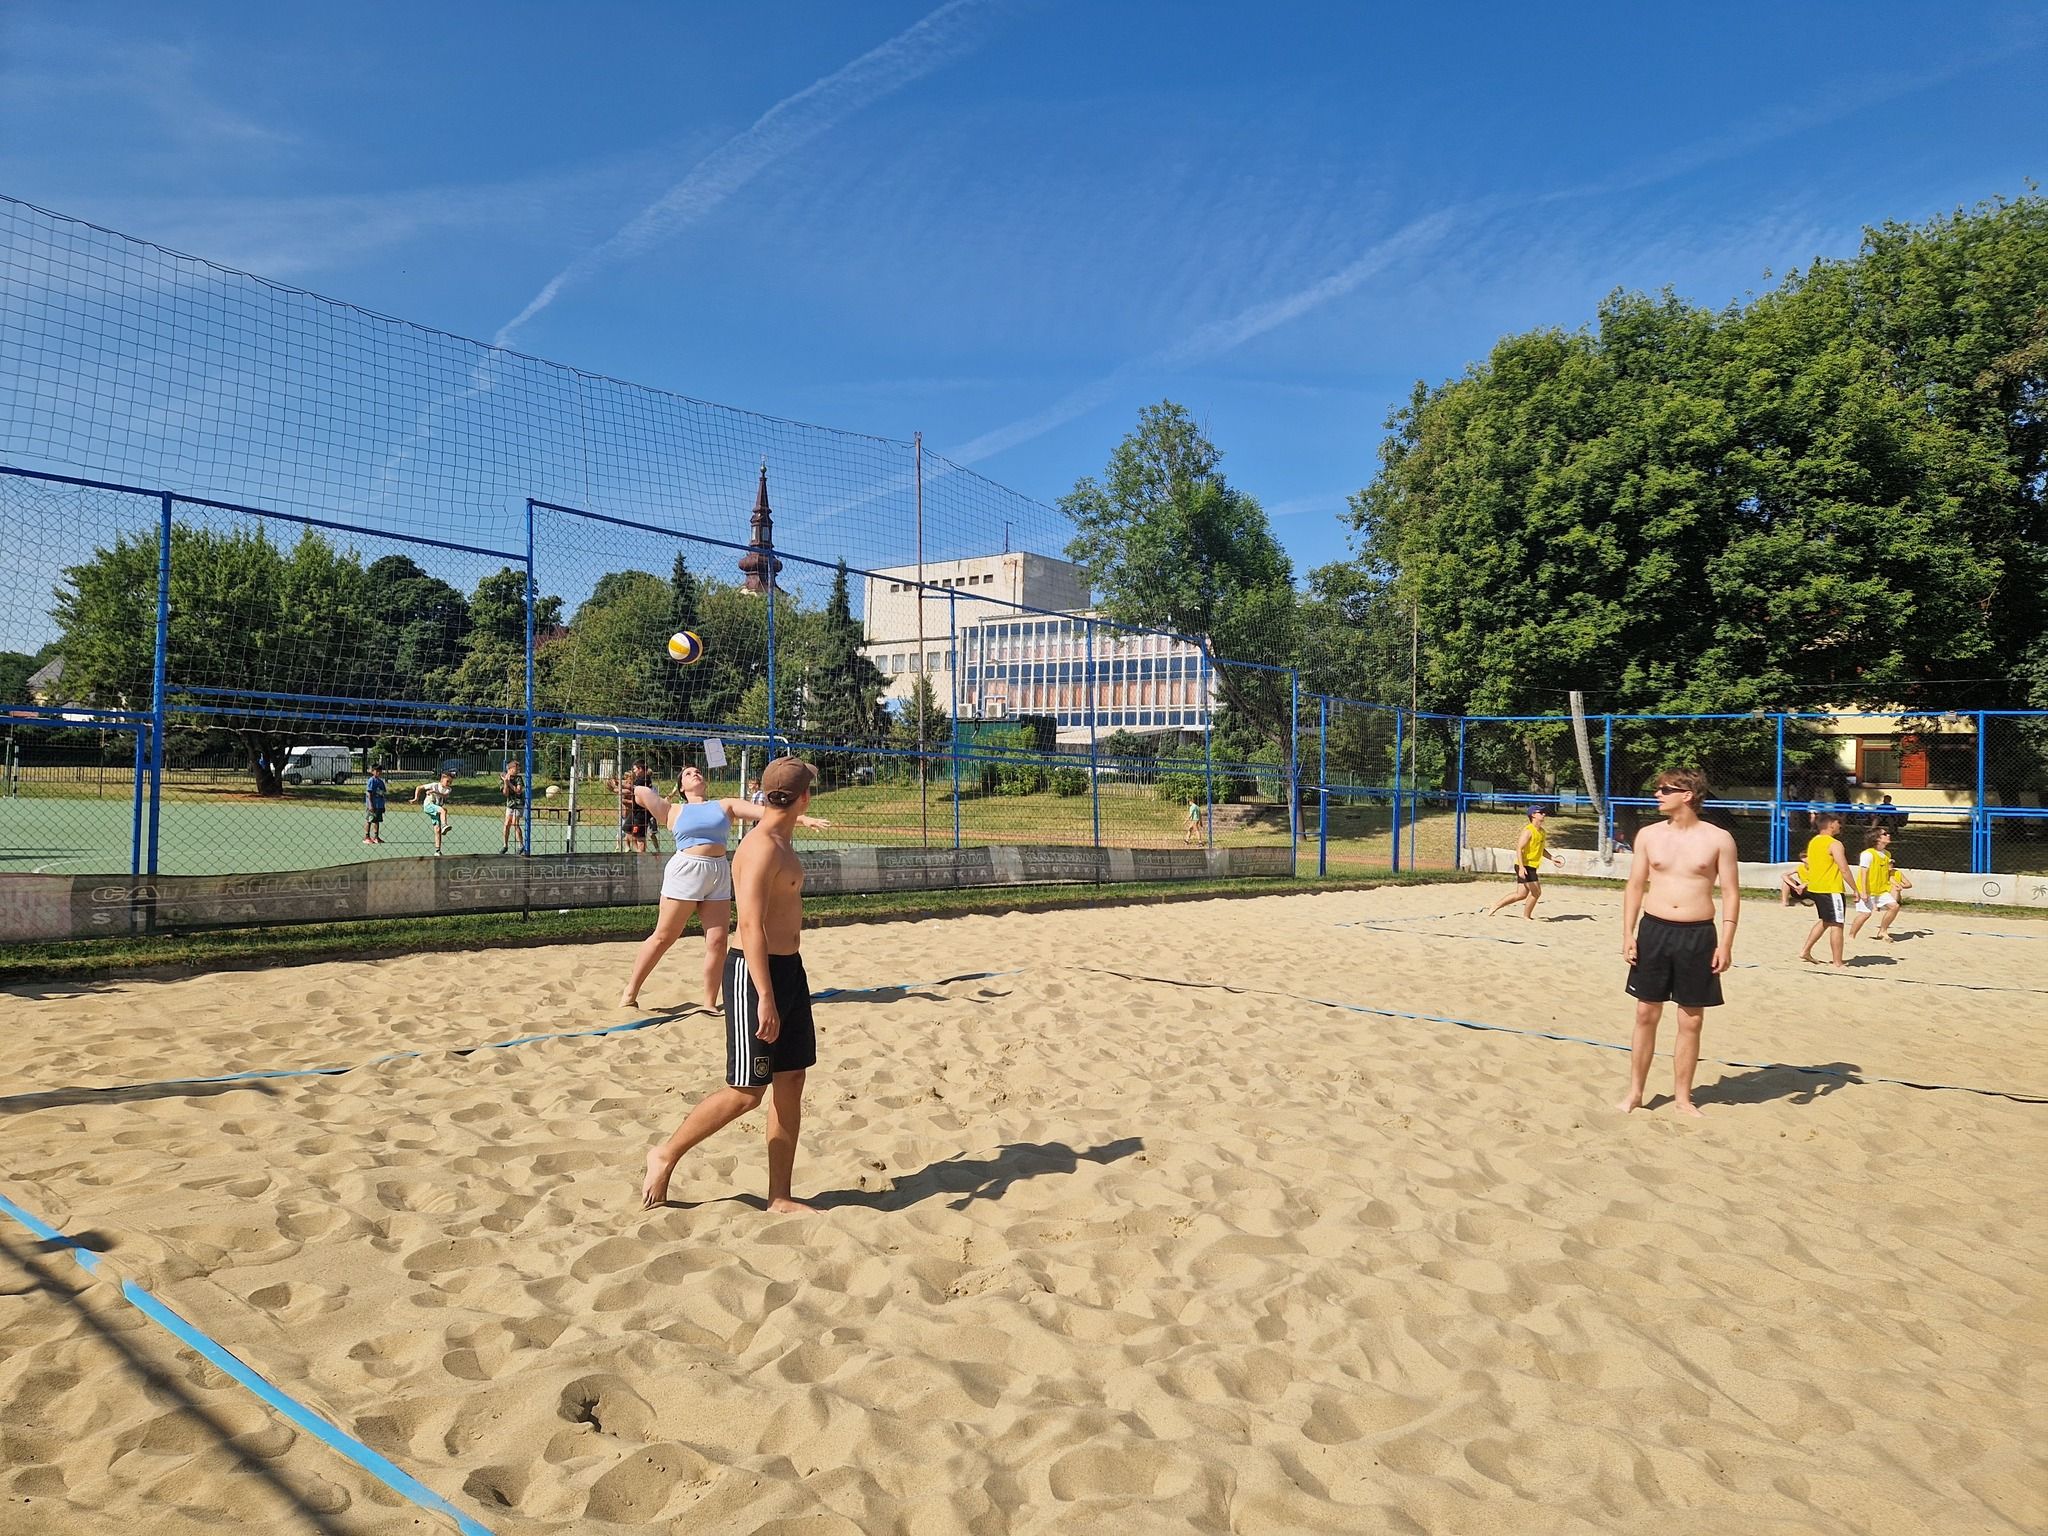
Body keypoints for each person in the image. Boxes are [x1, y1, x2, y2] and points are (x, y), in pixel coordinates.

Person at [640, 758, 825, 1214]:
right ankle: (665, 1154)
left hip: (788, 969)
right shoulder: (762, 848)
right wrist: (766, 997)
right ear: (804, 798)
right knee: (746, 1092)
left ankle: (779, 1196)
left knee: (791, 1079)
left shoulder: (781, 838)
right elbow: (751, 927)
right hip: (753, 975)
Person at [618, 763, 829, 1009]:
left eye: (697, 771)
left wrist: (801, 817)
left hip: (717, 871)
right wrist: (634, 786)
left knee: (717, 941)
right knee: (664, 936)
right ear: (681, 788)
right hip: (686, 870)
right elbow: (643, 794)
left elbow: (767, 812)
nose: (695, 774)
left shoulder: (724, 805)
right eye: (688, 774)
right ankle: (630, 992)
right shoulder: (672, 809)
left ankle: (709, 1002)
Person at [1616, 768, 1740, 1117]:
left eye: (1665, 789)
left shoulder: (1719, 839)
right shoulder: (1648, 835)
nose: (1657, 794)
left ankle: (1683, 1098)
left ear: (1687, 795)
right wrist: (1627, 934)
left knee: (1691, 1019)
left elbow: (1731, 893)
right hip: (1654, 930)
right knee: (1645, 1012)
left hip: (1698, 934)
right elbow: (1635, 885)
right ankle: (1635, 1092)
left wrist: (1726, 943)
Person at [1796, 811, 1859, 967]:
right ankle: (1837, 962)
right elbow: (1844, 869)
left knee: (1826, 921)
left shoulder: (1814, 841)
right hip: (1831, 889)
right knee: (1837, 924)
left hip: (1816, 887)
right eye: (1838, 823)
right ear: (1831, 824)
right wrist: (1856, 889)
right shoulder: (1834, 844)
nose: (1840, 825)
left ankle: (1805, 951)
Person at [1486, 807, 1564, 919]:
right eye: (1541, 812)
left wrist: (1552, 858)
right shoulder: (1528, 831)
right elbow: (1519, 848)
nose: (1544, 814)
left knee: (1521, 894)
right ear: (1533, 815)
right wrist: (1522, 868)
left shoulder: (1542, 832)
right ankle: (1527, 917)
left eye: (1544, 812)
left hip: (1531, 866)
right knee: (1536, 892)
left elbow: (1540, 850)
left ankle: (1496, 905)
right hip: (1525, 865)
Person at [1849, 825, 1913, 943]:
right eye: (1884, 834)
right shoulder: (1868, 854)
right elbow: (1863, 873)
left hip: (1881, 890)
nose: (1888, 835)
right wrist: (1863, 892)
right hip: (1868, 890)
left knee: (1894, 907)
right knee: (1865, 914)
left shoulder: (1887, 854)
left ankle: (1883, 931)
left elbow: (1886, 873)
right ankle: (1851, 936)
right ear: (1877, 838)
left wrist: (1894, 883)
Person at [411, 770, 454, 856]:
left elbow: (444, 795)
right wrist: (416, 798)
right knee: (443, 810)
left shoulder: (448, 789)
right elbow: (419, 787)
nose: (449, 784)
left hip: (436, 809)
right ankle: (444, 825)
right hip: (429, 806)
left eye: (450, 782)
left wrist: (433, 792)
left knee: (437, 829)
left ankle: (438, 850)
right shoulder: (434, 785)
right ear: (442, 779)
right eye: (447, 781)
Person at [499, 760, 525, 855]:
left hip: (519, 804)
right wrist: (506, 782)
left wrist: (509, 783)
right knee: (506, 824)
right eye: (516, 768)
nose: (518, 770)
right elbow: (505, 793)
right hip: (510, 804)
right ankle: (505, 845)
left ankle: (521, 845)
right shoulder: (504, 778)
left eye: (519, 768)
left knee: (515, 823)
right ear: (510, 769)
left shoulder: (518, 778)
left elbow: (518, 791)